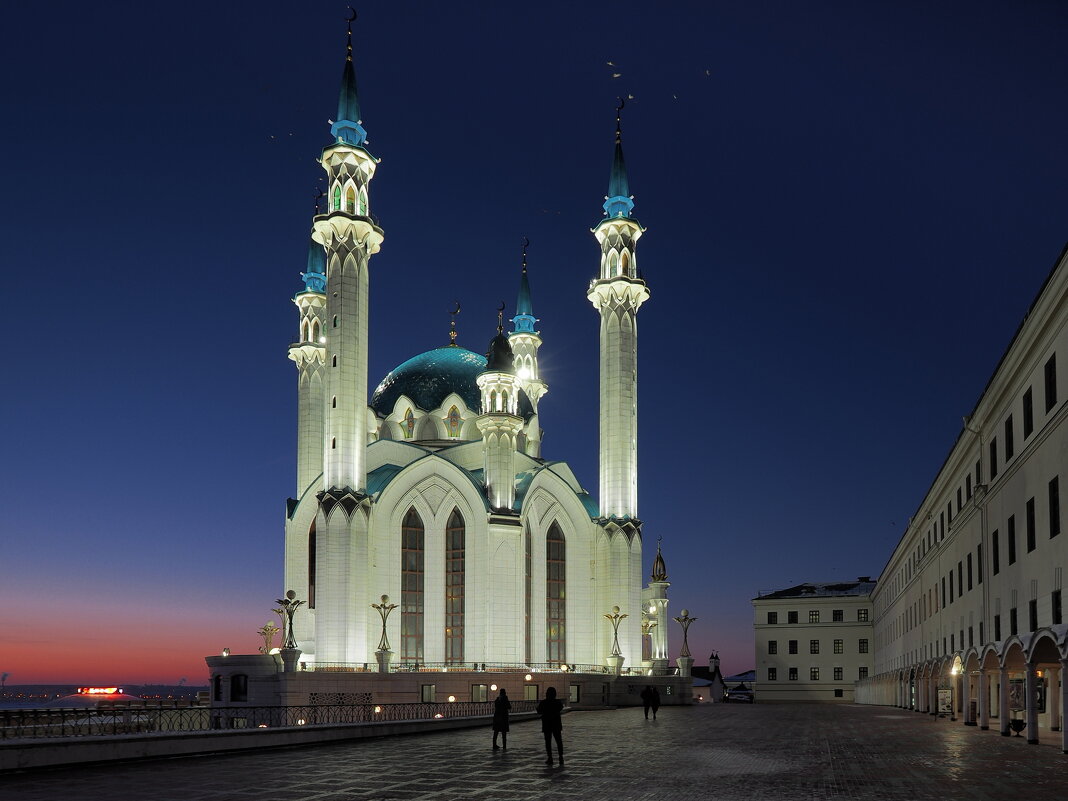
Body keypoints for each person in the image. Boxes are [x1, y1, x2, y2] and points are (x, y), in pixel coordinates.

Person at [536, 686, 564, 765]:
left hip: (547, 724)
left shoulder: (544, 702)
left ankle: (550, 758)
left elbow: (539, 711)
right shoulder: (558, 702)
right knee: (559, 741)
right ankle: (561, 757)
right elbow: (560, 708)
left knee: (548, 742)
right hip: (556, 724)